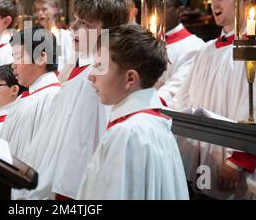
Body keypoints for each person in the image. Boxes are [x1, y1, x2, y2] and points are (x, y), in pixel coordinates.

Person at [13, 0, 130, 200]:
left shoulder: (98, 78)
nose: (73, 27)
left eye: (85, 23)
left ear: (108, 31)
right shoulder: (82, 67)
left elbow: (87, 146)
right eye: (75, 19)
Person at [171, 0, 256, 199]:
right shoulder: (207, 50)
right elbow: (184, 99)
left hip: (239, 168)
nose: (215, 4)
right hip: (206, 159)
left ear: (245, 3)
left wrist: (237, 162)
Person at [77, 24, 189, 199]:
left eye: (99, 66)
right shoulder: (155, 124)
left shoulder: (127, 133)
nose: (91, 75)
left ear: (130, 78)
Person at [0, 25, 61, 160]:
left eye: (17, 57)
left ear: (41, 58)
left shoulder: (52, 98)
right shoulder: (29, 95)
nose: (13, 65)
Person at [155, 0, 205, 105]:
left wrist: (148, 104)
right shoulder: (146, 40)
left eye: (163, 7)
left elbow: (177, 87)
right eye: (156, 7)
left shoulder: (194, 46)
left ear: (180, 10)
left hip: (168, 112)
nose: (157, 12)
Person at [34, 0, 74, 72]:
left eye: (44, 9)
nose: (40, 13)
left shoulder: (65, 36)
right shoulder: (36, 36)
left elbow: (70, 64)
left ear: (55, 10)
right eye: (37, 10)